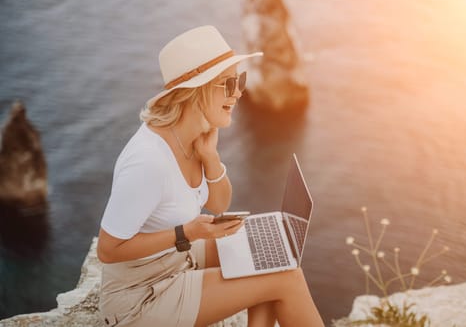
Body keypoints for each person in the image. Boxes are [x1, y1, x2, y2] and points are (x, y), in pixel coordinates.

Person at [96, 25, 323, 327]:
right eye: (229, 84)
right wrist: (187, 233)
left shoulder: (194, 138)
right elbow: (108, 250)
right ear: (196, 92)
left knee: (273, 256)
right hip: (138, 298)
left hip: (174, 262)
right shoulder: (148, 162)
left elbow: (218, 204)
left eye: (239, 80)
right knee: (286, 277)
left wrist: (211, 158)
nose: (240, 92)